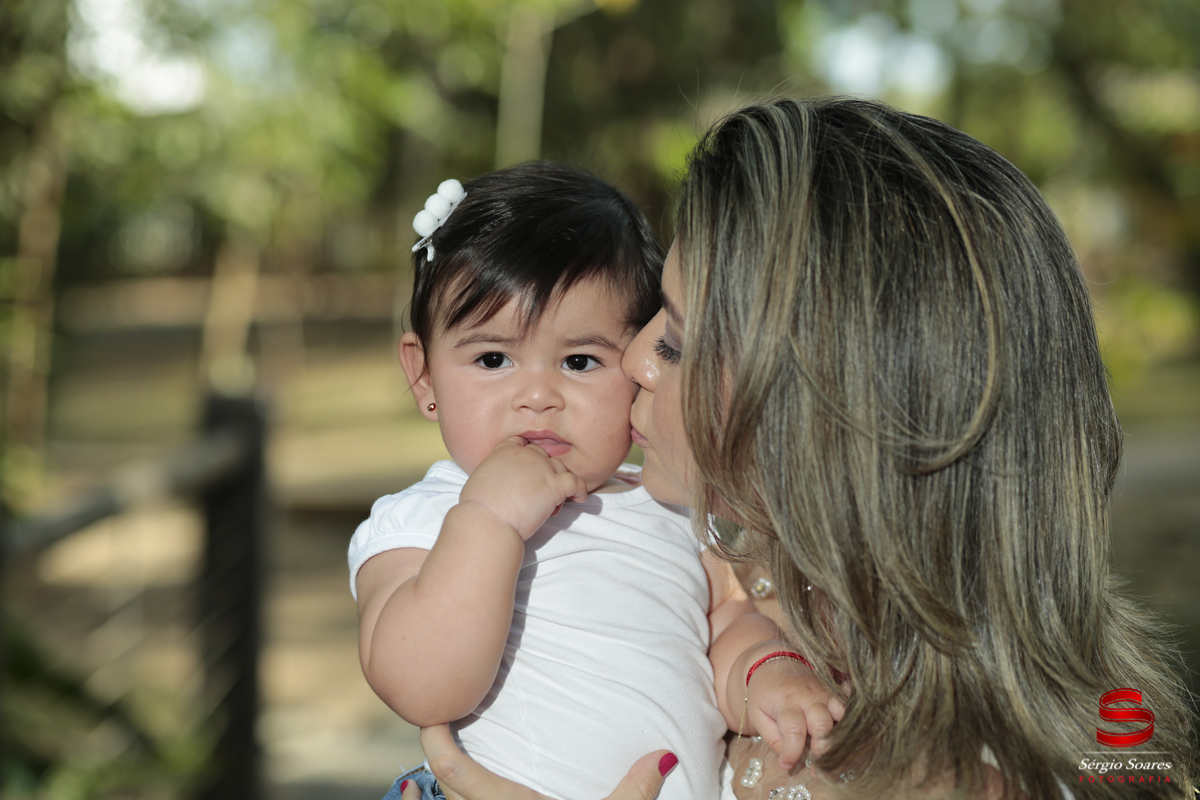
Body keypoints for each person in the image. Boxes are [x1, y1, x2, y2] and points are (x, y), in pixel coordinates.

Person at [407, 98, 1199, 800]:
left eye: (678, 343)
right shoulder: (764, 605)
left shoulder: (962, 777)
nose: (636, 360)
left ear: (825, 410)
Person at [349, 162, 842, 800]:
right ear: (424, 378)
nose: (537, 397)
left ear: (637, 356)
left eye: (580, 361)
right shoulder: (425, 517)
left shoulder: (667, 504)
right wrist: (488, 521)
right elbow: (419, 683)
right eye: (493, 359)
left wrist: (768, 673)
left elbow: (728, 626)